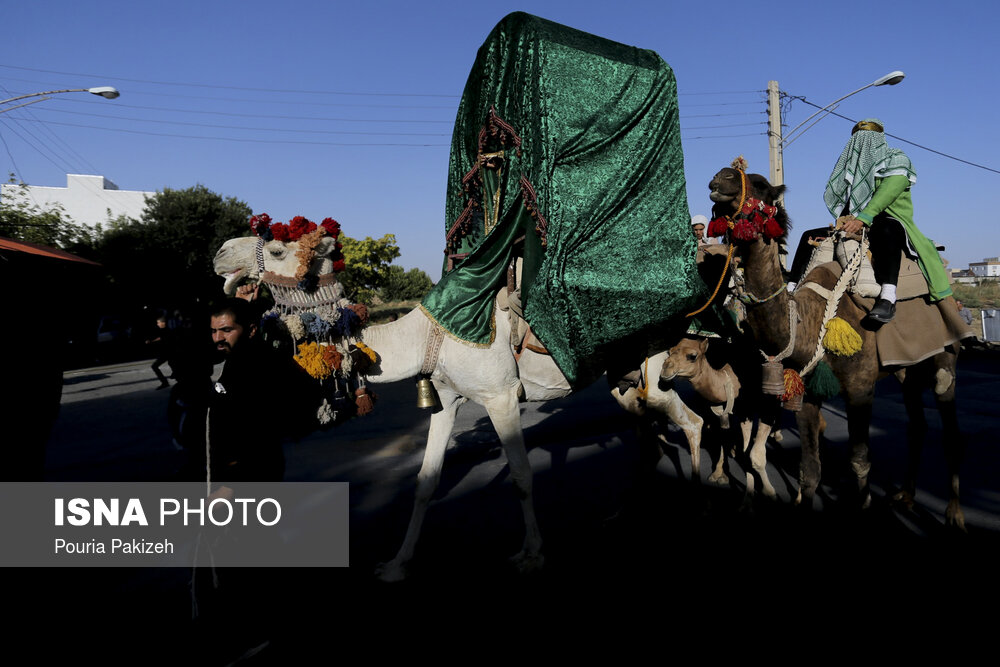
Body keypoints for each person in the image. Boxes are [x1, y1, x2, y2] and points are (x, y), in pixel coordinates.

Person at [823, 118, 952, 323]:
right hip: (855, 223)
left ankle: (888, 296)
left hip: (891, 220)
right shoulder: (852, 170)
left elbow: (886, 194)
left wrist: (863, 218)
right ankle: (793, 290)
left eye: (867, 140)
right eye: (858, 141)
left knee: (886, 228)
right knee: (809, 237)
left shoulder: (897, 160)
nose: (862, 146)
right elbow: (846, 201)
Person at [146, 315, 174, 389]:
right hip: (166, 353)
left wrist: (151, 341)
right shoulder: (164, 330)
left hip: (167, 353)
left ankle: (165, 382)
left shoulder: (167, 331)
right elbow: (160, 338)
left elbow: (162, 338)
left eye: (158, 322)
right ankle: (165, 382)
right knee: (172, 366)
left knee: (155, 366)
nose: (157, 324)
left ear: (163, 323)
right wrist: (151, 341)